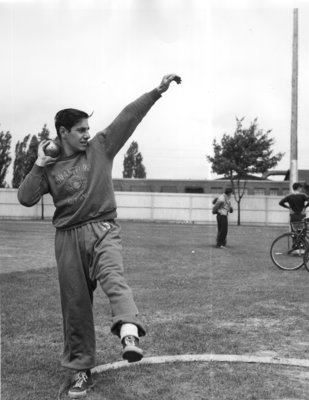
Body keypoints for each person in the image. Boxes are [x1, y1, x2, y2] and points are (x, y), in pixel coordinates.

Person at [17, 73, 181, 398]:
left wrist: (157, 91)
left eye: (88, 129)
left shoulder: (101, 147)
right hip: (67, 239)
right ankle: (82, 372)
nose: (86, 135)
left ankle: (129, 335)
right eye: (80, 130)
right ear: (62, 132)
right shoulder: (49, 166)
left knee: (114, 279)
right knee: (75, 306)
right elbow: (25, 197)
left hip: (103, 228)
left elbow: (128, 117)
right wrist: (38, 164)